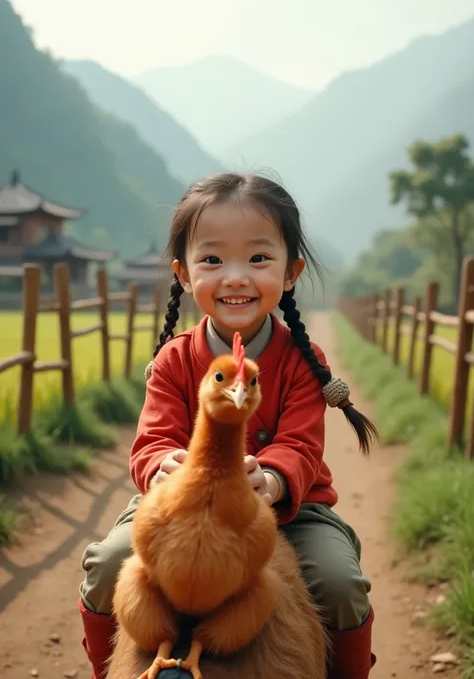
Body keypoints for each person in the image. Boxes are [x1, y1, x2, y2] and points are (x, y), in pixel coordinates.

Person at [78, 172, 378, 679]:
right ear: (184, 274)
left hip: (288, 510)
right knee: (107, 565)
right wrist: (162, 467)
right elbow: (152, 440)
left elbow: (300, 446)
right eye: (213, 259)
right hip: (181, 507)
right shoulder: (173, 361)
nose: (236, 277)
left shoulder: (303, 362)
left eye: (258, 258)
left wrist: (274, 479)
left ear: (291, 272)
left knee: (340, 583)